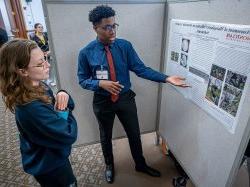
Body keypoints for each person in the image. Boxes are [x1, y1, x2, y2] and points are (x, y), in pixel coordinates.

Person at [77, 5, 189, 184]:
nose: (112, 30)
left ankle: (140, 164)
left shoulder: (124, 46)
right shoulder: (86, 53)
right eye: (106, 27)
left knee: (134, 133)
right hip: (102, 101)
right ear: (95, 28)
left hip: (125, 98)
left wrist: (166, 78)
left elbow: (141, 69)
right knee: (105, 135)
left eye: (114, 25)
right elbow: (82, 80)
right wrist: (99, 83)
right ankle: (109, 165)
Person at [0, 39, 78, 187]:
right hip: (49, 164)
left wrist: (62, 94)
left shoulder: (38, 85)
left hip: (50, 152)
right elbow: (68, 134)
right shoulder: (31, 108)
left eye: (45, 59)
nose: (48, 65)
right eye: (40, 63)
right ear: (22, 71)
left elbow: (57, 105)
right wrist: (63, 109)